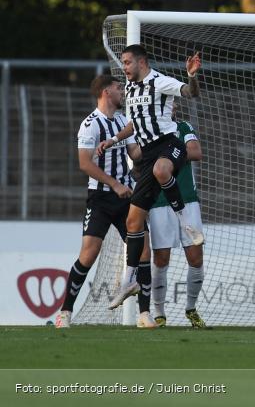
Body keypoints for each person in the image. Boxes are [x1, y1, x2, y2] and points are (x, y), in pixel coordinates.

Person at [97, 45, 202, 318]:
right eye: (123, 63)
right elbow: (133, 123)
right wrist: (114, 140)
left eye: (128, 62)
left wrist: (191, 76)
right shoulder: (131, 90)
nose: (124, 67)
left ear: (142, 62)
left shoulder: (160, 81)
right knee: (133, 222)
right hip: (147, 157)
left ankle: (185, 222)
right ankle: (128, 280)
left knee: (162, 170)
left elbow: (191, 93)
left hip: (169, 144)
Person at [56, 75, 150, 328]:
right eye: (119, 88)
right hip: (100, 198)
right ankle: (65, 312)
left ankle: (144, 315)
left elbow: (135, 154)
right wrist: (114, 183)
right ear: (106, 91)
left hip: (126, 197)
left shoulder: (122, 121)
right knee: (89, 254)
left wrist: (156, 138)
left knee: (143, 249)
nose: (123, 92)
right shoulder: (90, 124)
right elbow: (84, 163)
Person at [148, 101, 206, 328]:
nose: (168, 107)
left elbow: (195, 151)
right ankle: (160, 313)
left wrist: (168, 155)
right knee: (161, 259)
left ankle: (191, 309)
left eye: (171, 104)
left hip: (188, 201)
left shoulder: (183, 127)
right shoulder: (150, 131)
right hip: (159, 201)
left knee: (196, 257)